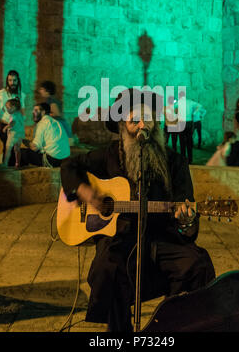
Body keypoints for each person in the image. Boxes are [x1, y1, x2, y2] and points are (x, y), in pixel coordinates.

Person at [60, 88, 215, 332]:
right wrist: (86, 192)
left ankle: (168, 326)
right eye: (135, 120)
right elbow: (69, 165)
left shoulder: (175, 161)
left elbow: (187, 217)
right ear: (123, 126)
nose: (143, 126)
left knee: (197, 265)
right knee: (105, 270)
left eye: (149, 119)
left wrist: (186, 221)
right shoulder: (111, 155)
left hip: (163, 239)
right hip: (120, 239)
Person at [0, 70, 25, 164]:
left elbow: (22, 113)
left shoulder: (21, 95)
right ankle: (6, 168)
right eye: (10, 80)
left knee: (14, 148)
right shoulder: (0, 95)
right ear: (7, 81)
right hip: (3, 124)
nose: (12, 83)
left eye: (14, 80)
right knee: (8, 146)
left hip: (15, 126)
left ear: (18, 81)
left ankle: (10, 167)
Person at [21, 102, 70, 167]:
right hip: (64, 159)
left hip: (53, 160)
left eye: (36, 110)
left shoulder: (42, 124)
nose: (33, 112)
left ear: (43, 112)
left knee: (22, 153)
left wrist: (23, 140)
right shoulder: (56, 122)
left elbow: (34, 147)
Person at [176, 91, 201, 164]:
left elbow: (173, 108)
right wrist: (194, 113)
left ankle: (183, 158)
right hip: (189, 122)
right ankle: (190, 159)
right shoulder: (190, 102)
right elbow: (199, 106)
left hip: (181, 122)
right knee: (189, 141)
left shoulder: (179, 102)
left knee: (182, 141)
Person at [2, 98, 25, 167]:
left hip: (13, 134)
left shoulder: (14, 115)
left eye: (8, 108)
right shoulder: (19, 114)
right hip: (20, 134)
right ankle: (17, 163)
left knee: (8, 149)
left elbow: (13, 122)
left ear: (13, 107)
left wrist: (6, 127)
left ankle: (5, 163)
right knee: (17, 149)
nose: (7, 109)